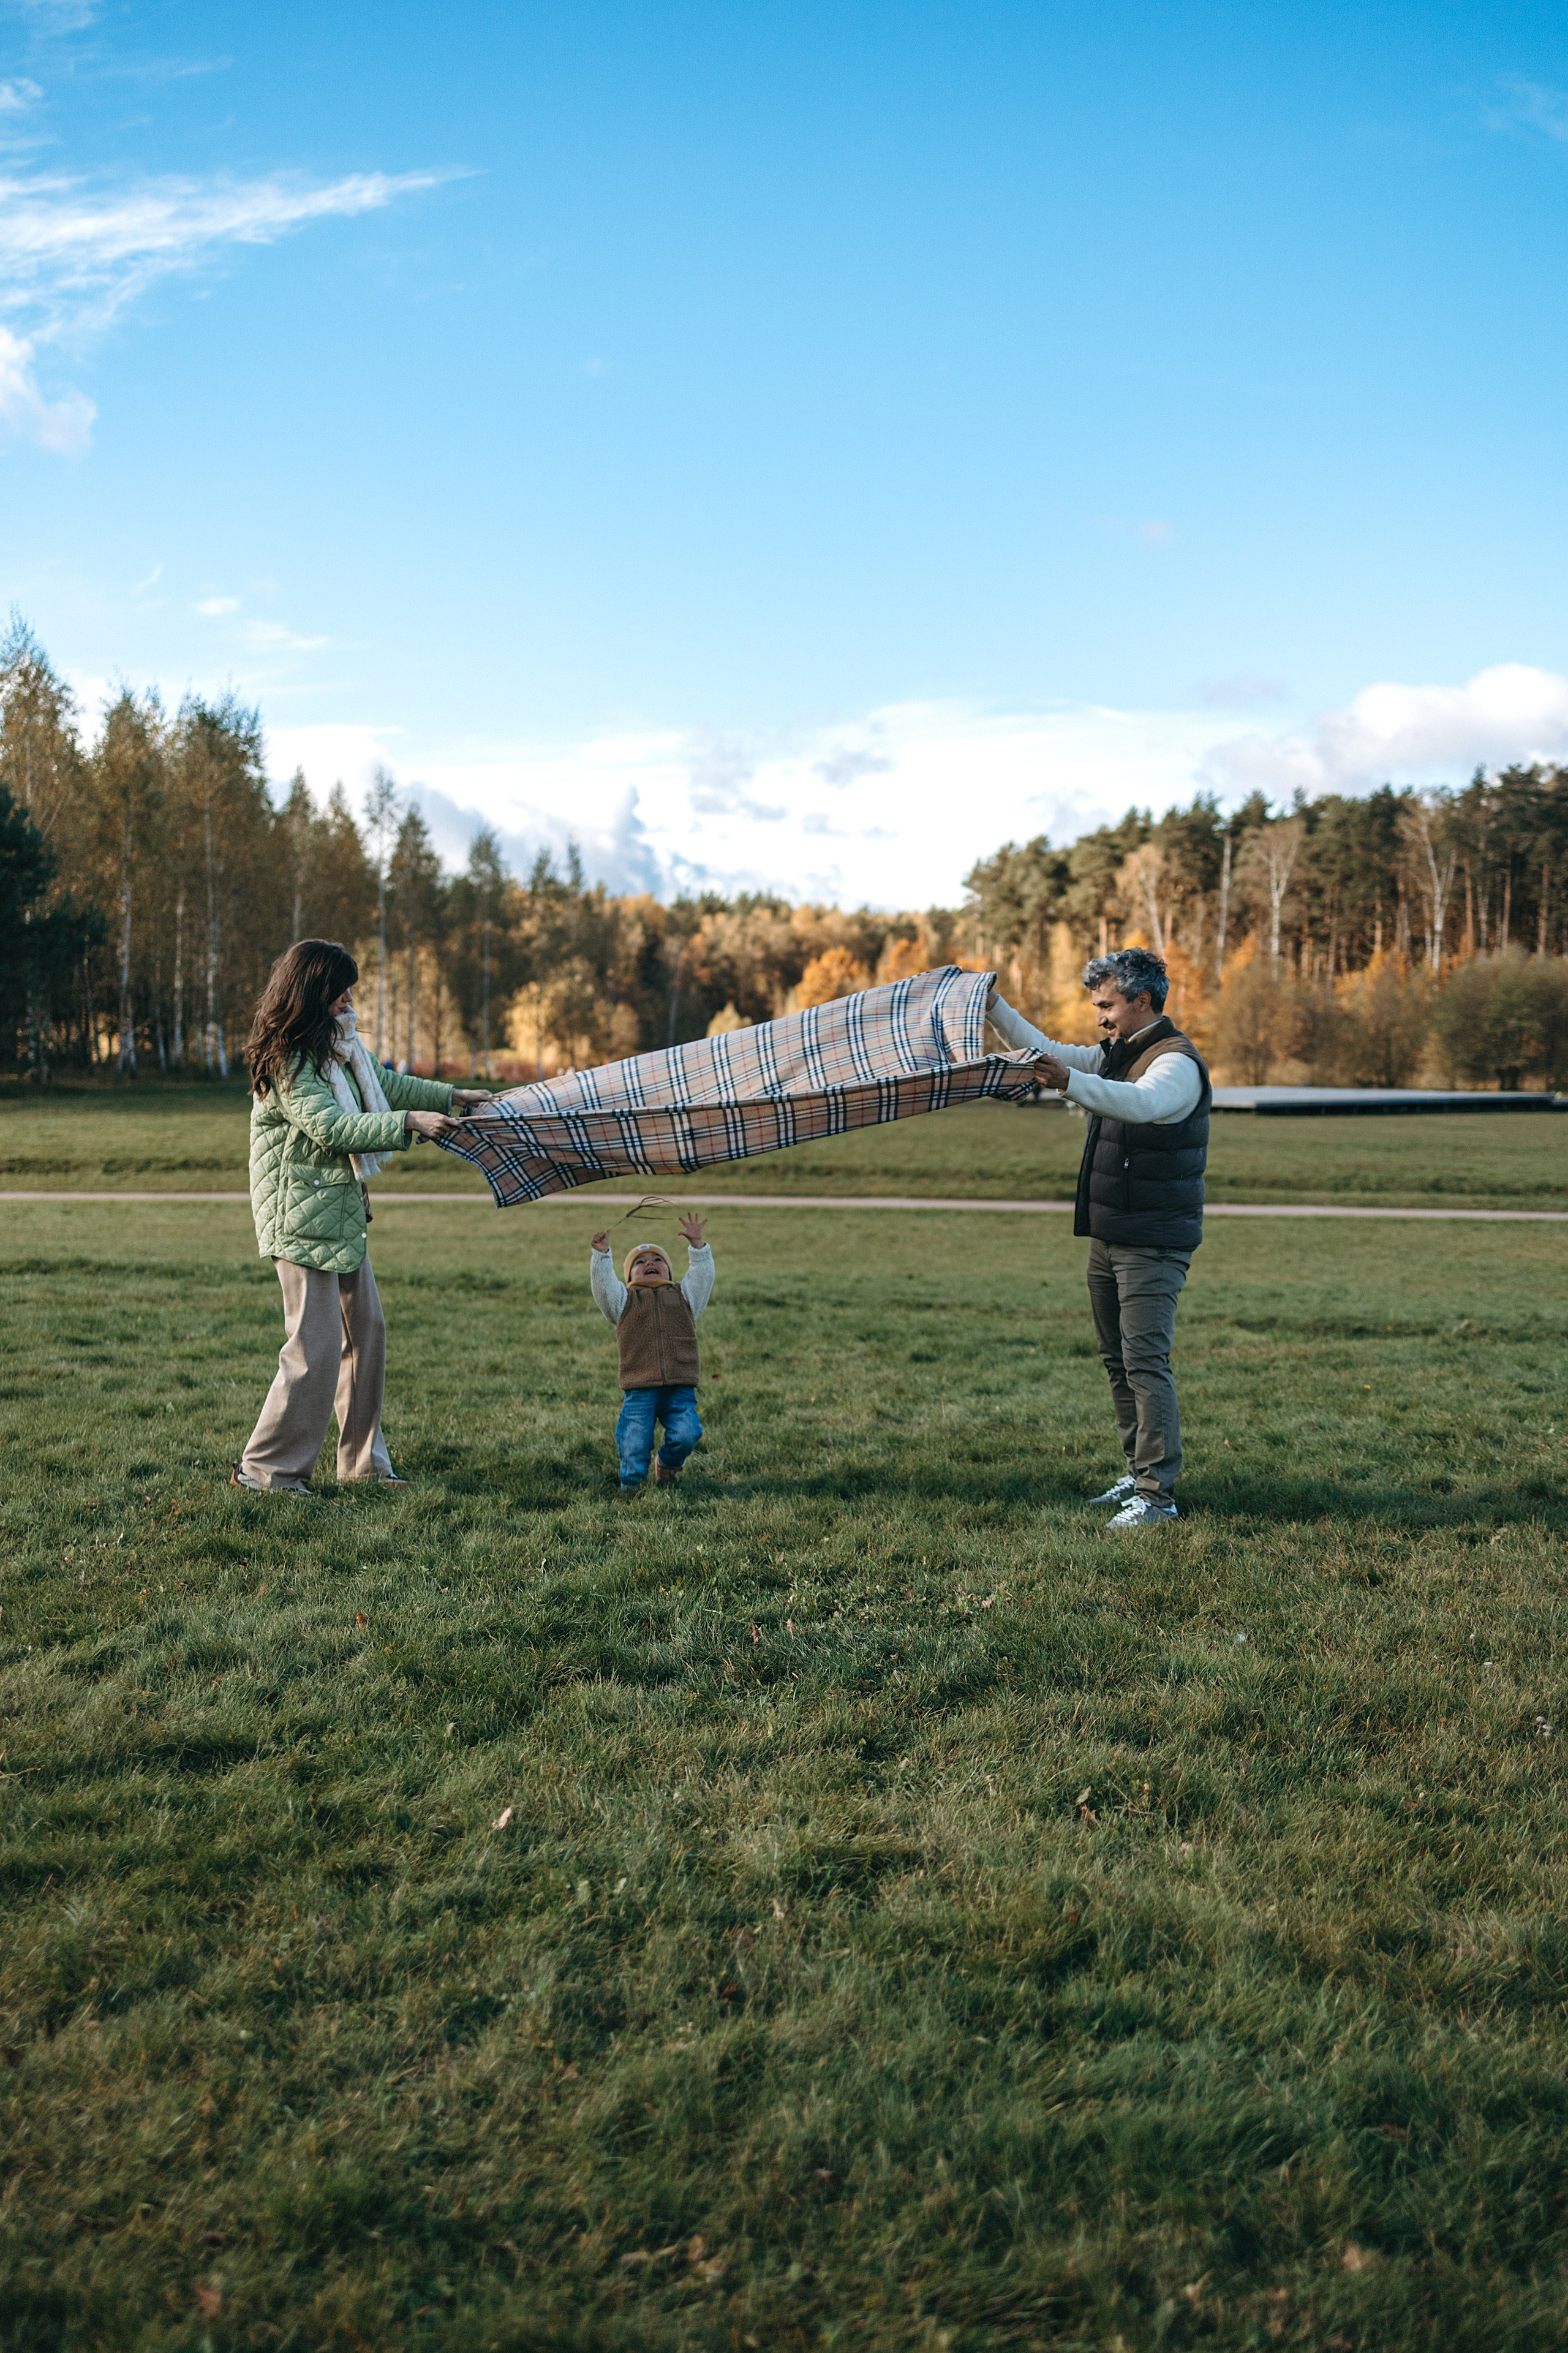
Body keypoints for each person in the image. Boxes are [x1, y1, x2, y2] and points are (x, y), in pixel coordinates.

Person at [233, 938, 492, 1495]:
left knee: (366, 1332)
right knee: (315, 1350)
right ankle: (265, 1473)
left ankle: (362, 1467)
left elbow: (390, 1085)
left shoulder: (340, 1048)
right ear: (314, 993)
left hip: (339, 1210)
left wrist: (454, 1096)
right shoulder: (290, 1060)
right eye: (341, 989)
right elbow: (330, 1127)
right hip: (298, 1219)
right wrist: (408, 1125)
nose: (350, 998)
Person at [988, 948, 1210, 1530]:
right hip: (1111, 1234)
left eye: (1107, 1005)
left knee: (1144, 1362)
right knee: (1118, 1360)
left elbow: (1143, 1105)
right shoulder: (1116, 1056)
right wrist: (992, 1006)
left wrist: (1071, 1082)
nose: (1100, 1018)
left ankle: (1158, 1499)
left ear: (1142, 1000)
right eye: (1096, 1006)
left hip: (1152, 1239)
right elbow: (1054, 1055)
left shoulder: (1175, 1062)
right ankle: (1138, 1475)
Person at [589, 1212, 714, 1492]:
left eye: (658, 1260)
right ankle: (631, 1486)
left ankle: (668, 1464)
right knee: (634, 1440)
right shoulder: (624, 1301)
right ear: (629, 1275)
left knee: (687, 1433)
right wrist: (602, 1256)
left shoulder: (685, 1296)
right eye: (641, 1262)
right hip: (640, 1386)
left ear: (669, 1271)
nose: (650, 1264)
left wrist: (698, 1247)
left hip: (680, 1385)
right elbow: (604, 1289)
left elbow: (702, 1277)